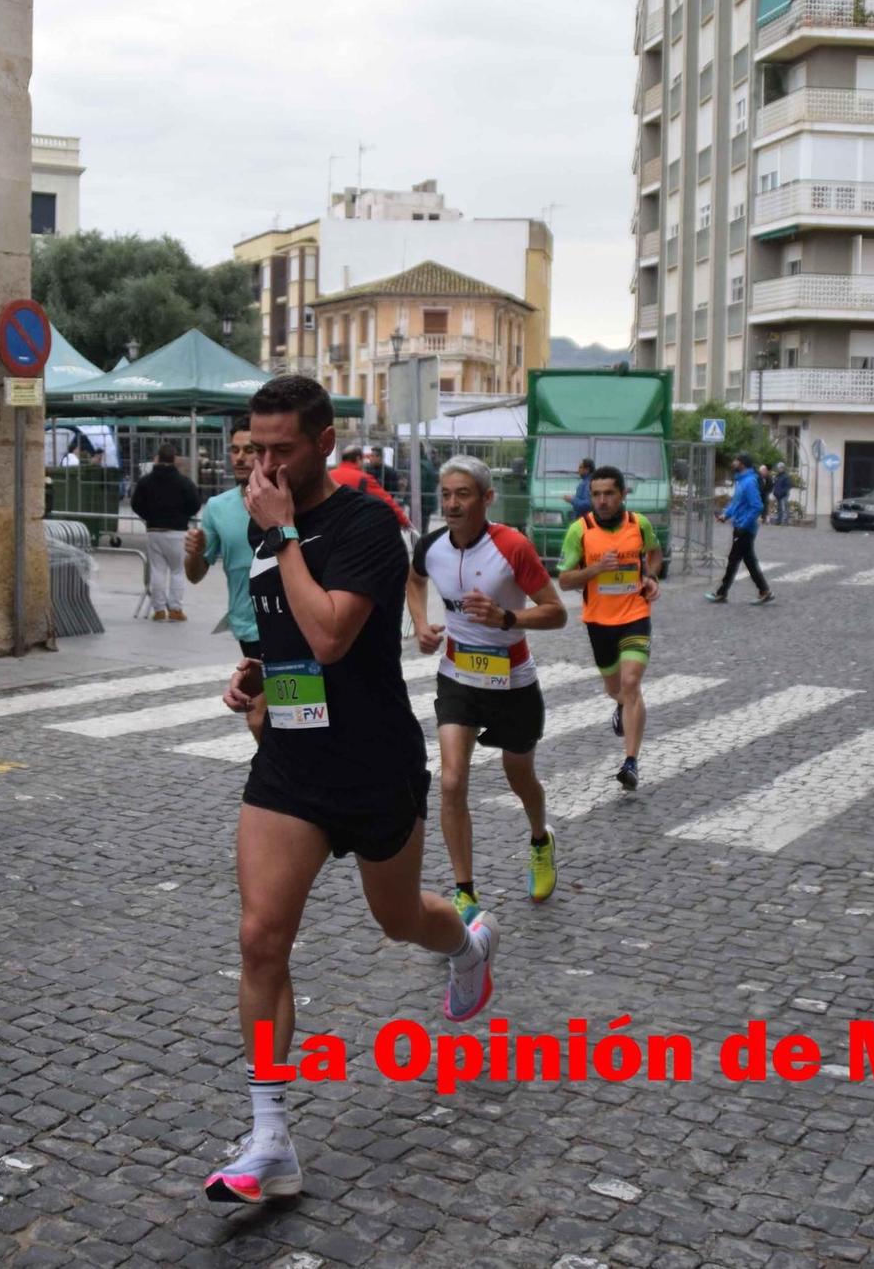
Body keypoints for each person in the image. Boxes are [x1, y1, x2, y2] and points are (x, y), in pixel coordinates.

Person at [206, 377, 494, 1205]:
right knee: (261, 938)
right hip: (291, 765)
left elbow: (333, 633)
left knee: (400, 919)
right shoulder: (271, 529)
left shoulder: (368, 524)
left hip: (374, 763)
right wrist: (253, 675)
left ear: (324, 442)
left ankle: (468, 944)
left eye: (281, 450)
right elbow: (291, 640)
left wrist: (283, 532)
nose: (263, 466)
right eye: (253, 451)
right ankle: (268, 1139)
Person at [405, 456, 568, 922]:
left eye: (464, 494)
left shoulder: (511, 546)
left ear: (486, 498)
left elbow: (556, 611)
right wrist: (421, 625)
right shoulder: (431, 545)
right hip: (458, 676)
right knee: (452, 780)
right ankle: (465, 891)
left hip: (512, 680)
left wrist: (508, 617)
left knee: (521, 777)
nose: (452, 504)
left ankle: (540, 838)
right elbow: (414, 580)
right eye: (447, 495)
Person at [557, 466, 663, 792]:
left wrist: (651, 577)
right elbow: (564, 579)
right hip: (599, 621)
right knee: (615, 688)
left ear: (623, 494)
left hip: (635, 614)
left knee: (631, 684)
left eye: (609, 494)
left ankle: (630, 762)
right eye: (596, 494)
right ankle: (620, 704)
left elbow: (655, 555)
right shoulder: (580, 530)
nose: (602, 501)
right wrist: (595, 569)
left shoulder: (639, 524)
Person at [188, 417, 267, 740]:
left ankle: (279, 784)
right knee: (261, 718)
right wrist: (195, 552)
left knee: (263, 718)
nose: (239, 457)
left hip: (293, 626)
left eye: (249, 450)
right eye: (234, 450)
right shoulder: (217, 508)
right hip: (248, 627)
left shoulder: (290, 500)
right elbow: (195, 575)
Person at [130, 443, 203, 621]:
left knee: (157, 571)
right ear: (175, 459)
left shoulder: (145, 481)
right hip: (178, 531)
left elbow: (135, 504)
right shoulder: (184, 482)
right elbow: (195, 503)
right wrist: (184, 515)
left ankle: (159, 609)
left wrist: (148, 516)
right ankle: (176, 609)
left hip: (154, 530)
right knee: (178, 570)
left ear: (157, 458)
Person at [710, 453, 774, 605]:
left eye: (736, 460)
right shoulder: (742, 481)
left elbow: (757, 506)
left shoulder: (749, 482)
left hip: (745, 529)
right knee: (748, 560)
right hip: (741, 527)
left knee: (734, 560)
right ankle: (764, 591)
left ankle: (722, 593)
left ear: (743, 464)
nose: (733, 462)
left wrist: (743, 525)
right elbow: (737, 504)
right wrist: (725, 515)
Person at [332, 445, 411, 530]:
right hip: (353, 525)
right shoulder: (363, 478)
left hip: (331, 524)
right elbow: (386, 500)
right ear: (358, 459)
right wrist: (404, 521)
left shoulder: (330, 476)